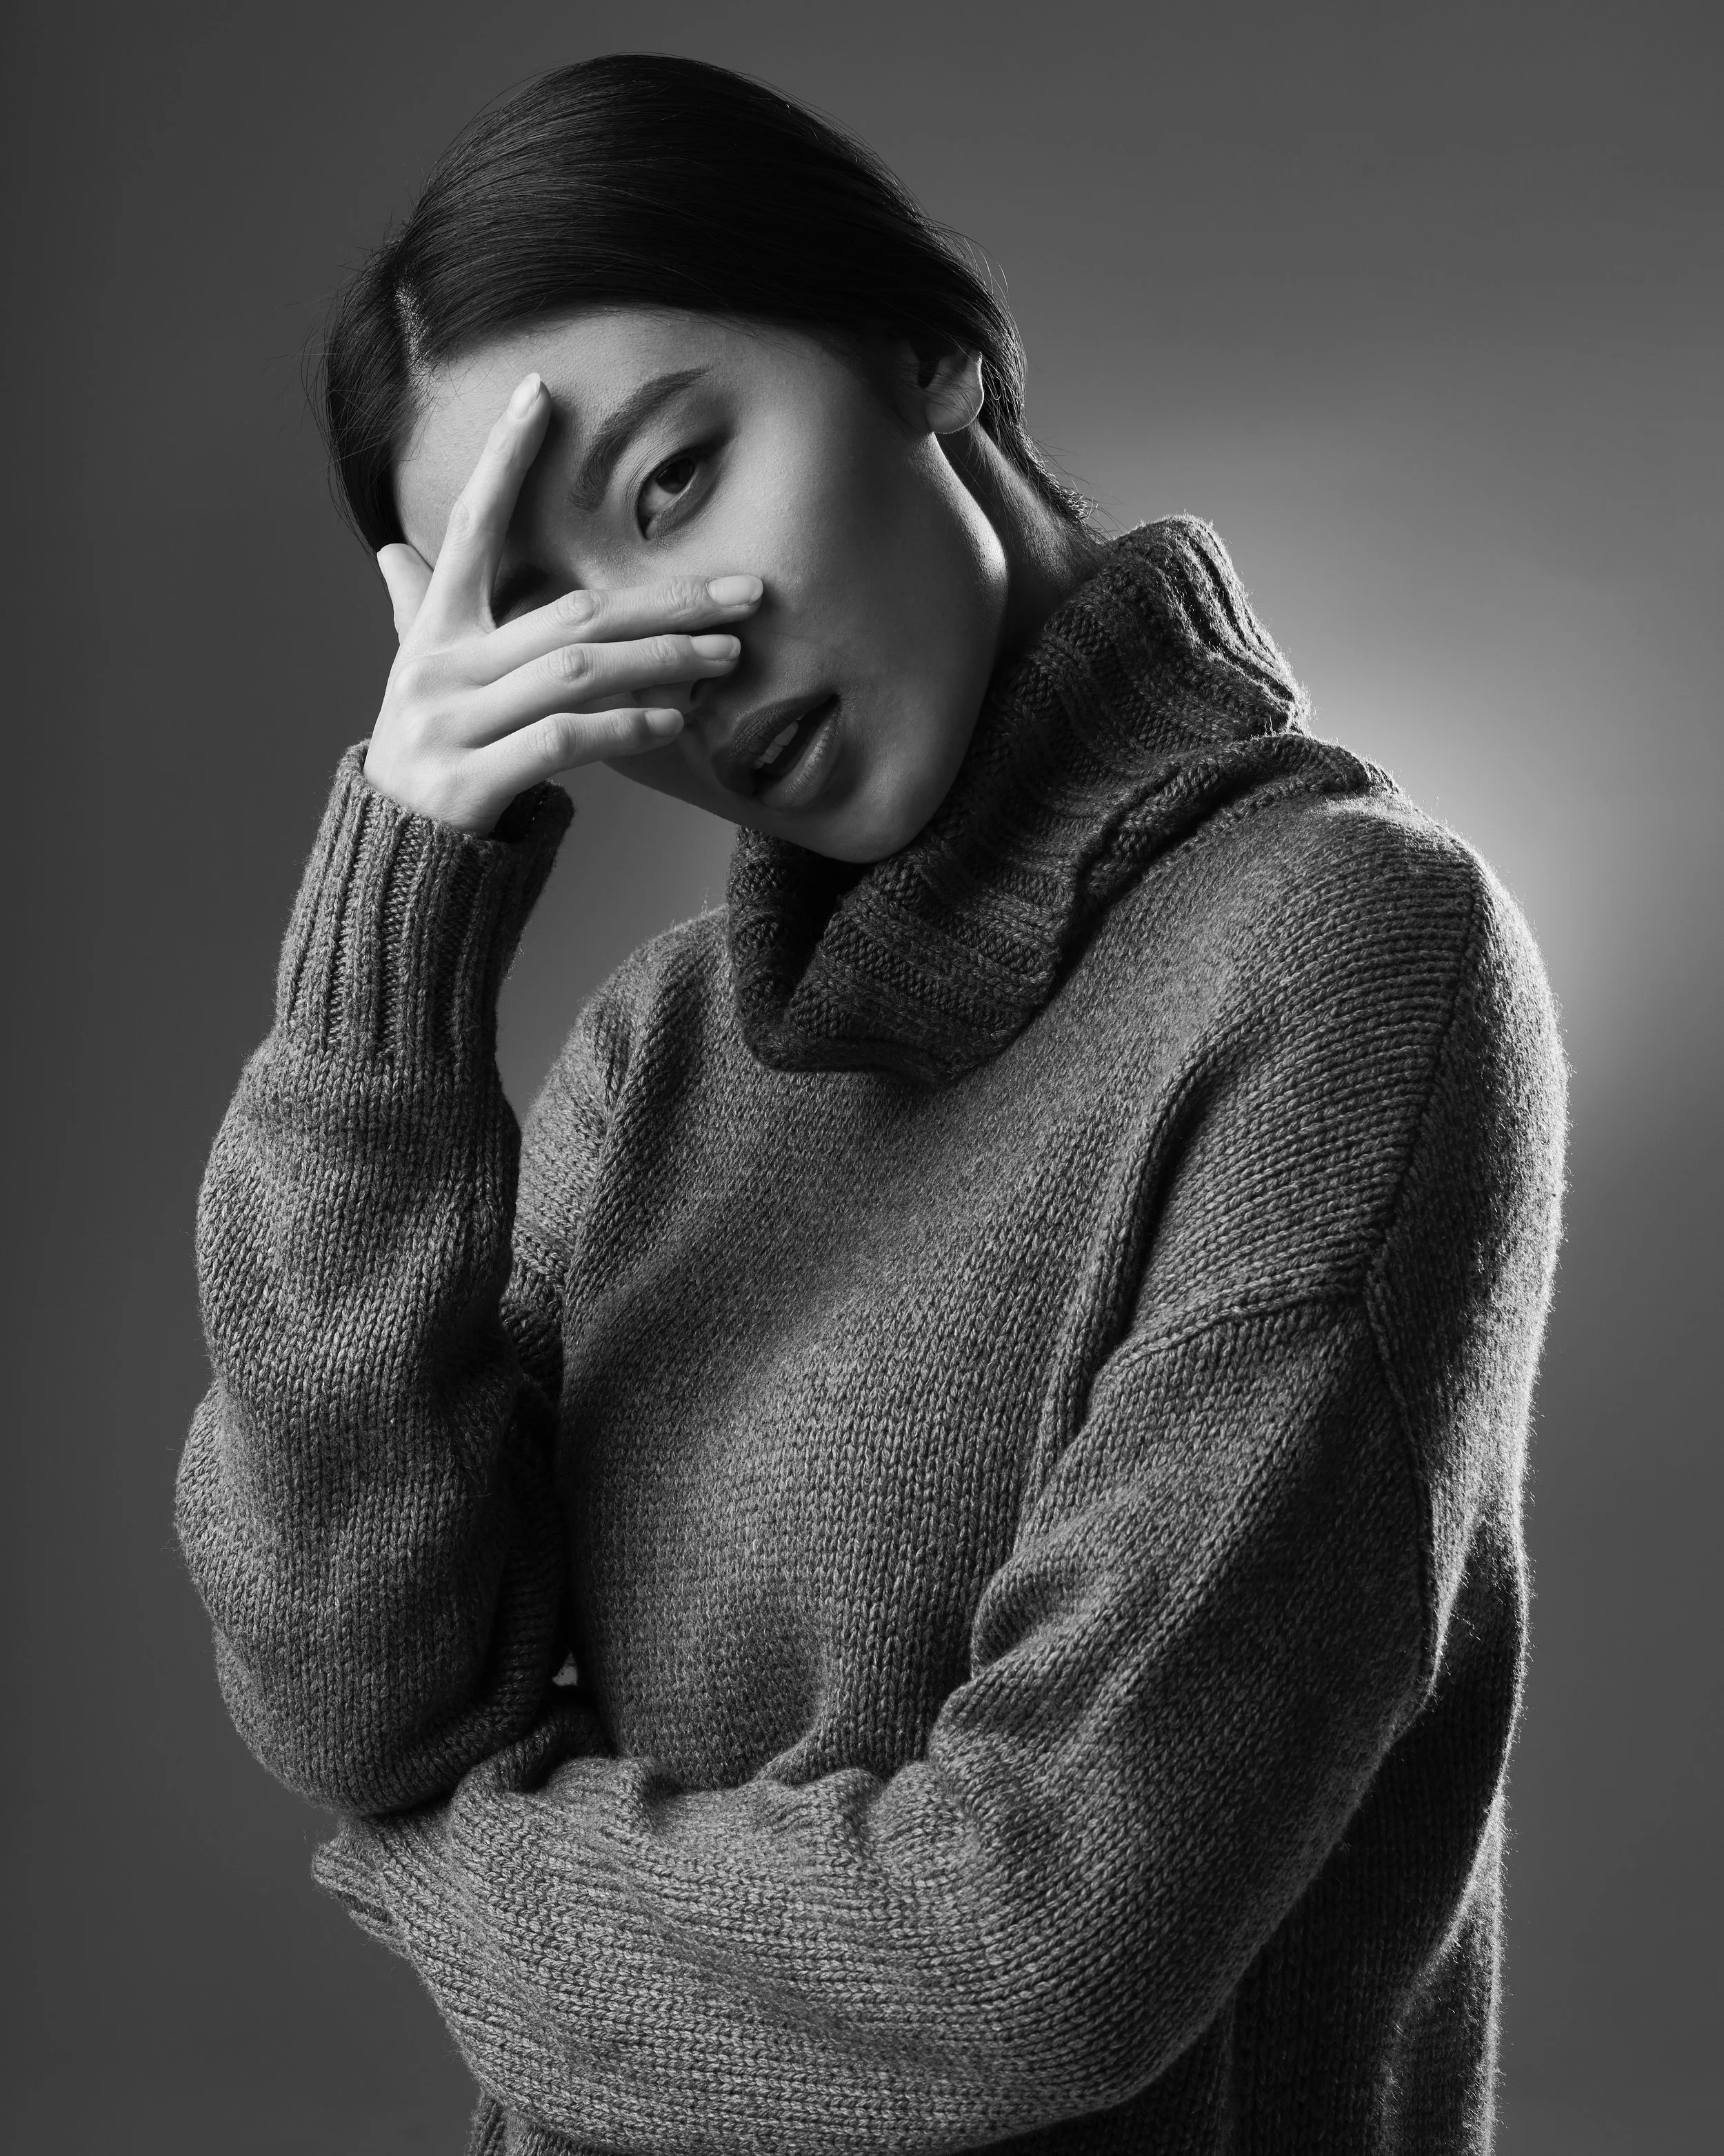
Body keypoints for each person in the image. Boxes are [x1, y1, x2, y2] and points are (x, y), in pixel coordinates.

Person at [175, 52, 1567, 2156]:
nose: (680, 642)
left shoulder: (1338, 952)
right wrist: (394, 952)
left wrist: (436, 1863)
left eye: (673, 480)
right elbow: (350, 1684)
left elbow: (1033, 1944)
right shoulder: (661, 1054)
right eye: (547, 610)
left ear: (930, 349)